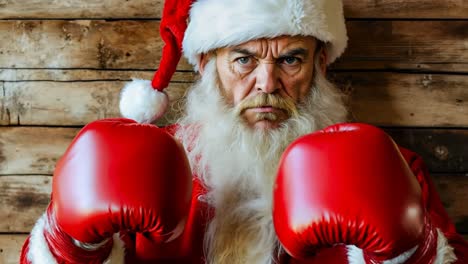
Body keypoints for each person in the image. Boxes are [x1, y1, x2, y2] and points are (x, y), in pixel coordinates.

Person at [20, 0, 468, 263]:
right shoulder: (140, 159)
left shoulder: (387, 166)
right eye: (244, 59)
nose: (267, 84)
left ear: (320, 65)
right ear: (207, 65)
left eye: (290, 59)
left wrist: (411, 251)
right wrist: (68, 239)